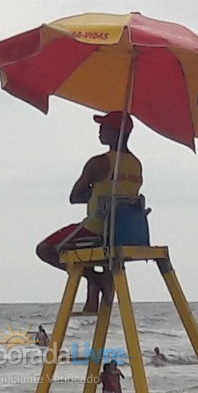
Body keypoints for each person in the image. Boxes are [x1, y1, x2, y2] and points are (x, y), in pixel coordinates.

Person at [36, 110, 143, 312]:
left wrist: (94, 194)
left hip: (97, 229)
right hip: (125, 231)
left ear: (116, 132)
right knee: (87, 253)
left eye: (104, 128)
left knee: (45, 249)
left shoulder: (100, 162)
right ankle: (94, 293)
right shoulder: (136, 164)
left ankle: (96, 278)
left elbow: (75, 196)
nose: (100, 131)